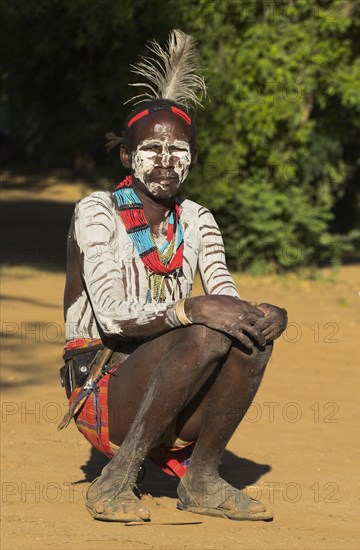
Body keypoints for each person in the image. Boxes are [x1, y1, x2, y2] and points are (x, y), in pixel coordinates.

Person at [60, 29, 287, 522]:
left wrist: (263, 316)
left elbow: (224, 295)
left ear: (193, 160)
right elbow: (116, 318)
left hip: (172, 382)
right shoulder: (97, 212)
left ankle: (202, 480)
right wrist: (191, 309)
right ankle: (117, 478)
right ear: (127, 157)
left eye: (179, 150)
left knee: (250, 335)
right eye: (151, 150)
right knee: (206, 331)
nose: (166, 161)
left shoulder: (199, 219)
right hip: (105, 389)